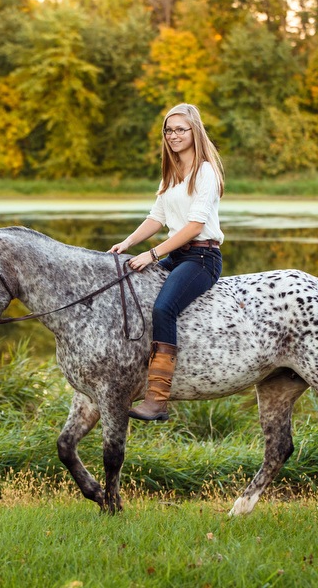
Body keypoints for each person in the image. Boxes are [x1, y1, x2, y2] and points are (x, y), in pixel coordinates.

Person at [109, 103, 225, 422]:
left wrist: (153, 254)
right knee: (129, 290)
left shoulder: (205, 172)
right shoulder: (172, 172)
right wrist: (129, 243)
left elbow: (194, 227)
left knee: (163, 308)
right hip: (178, 255)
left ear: (194, 132)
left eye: (180, 129)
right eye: (168, 130)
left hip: (201, 257)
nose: (173, 135)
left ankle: (158, 400)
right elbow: (157, 217)